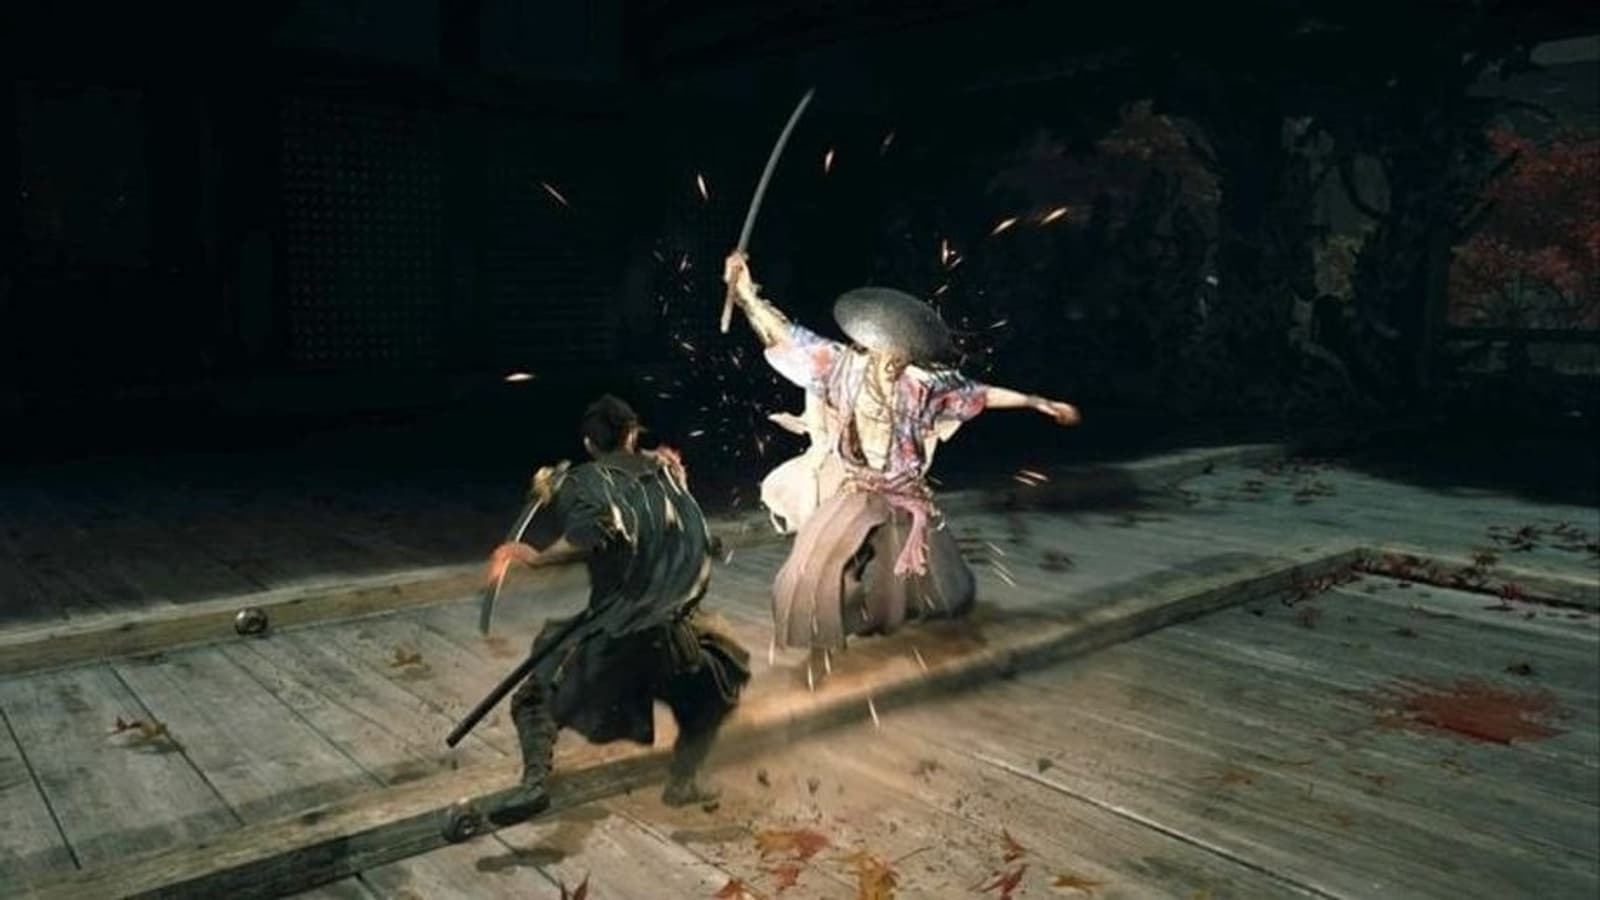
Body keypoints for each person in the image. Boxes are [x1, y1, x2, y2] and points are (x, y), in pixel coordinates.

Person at [724, 251, 1081, 653]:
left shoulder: (923, 385)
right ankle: (825, 625)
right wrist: (747, 295)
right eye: (885, 353)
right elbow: (786, 336)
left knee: (929, 576)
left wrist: (1037, 402)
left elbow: (981, 394)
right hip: (858, 487)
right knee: (813, 560)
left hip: (905, 495)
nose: (892, 361)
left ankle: (922, 609)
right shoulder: (843, 367)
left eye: (900, 356)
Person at [487, 395, 750, 818]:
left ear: (589, 444)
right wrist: (680, 489)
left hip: (616, 638)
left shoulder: (587, 482)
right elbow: (698, 538)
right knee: (714, 690)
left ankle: (533, 783)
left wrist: (536, 558)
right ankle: (684, 780)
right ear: (631, 434)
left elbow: (591, 535)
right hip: (676, 638)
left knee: (534, 698)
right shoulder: (669, 475)